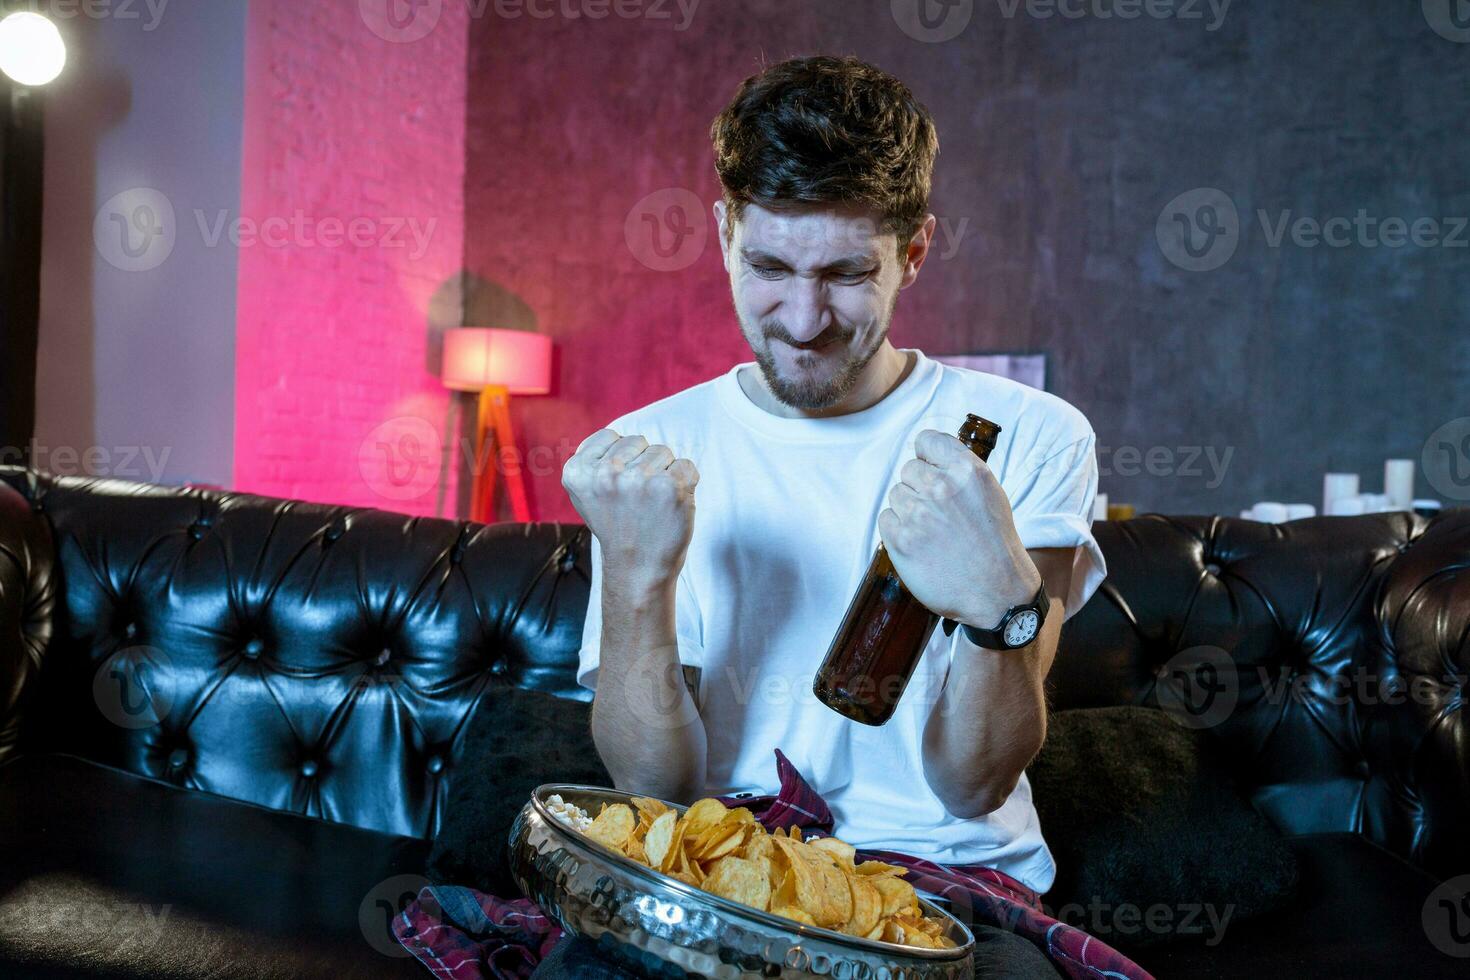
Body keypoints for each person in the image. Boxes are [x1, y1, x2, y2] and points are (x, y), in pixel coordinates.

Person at [556, 54, 1106, 979]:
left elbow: (971, 784)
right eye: (770, 266)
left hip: (952, 881)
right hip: (722, 869)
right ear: (726, 232)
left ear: (915, 252)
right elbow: (651, 787)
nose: (803, 320)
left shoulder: (1026, 437)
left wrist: (1000, 602)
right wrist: (638, 576)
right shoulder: (647, 451)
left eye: (847, 275)